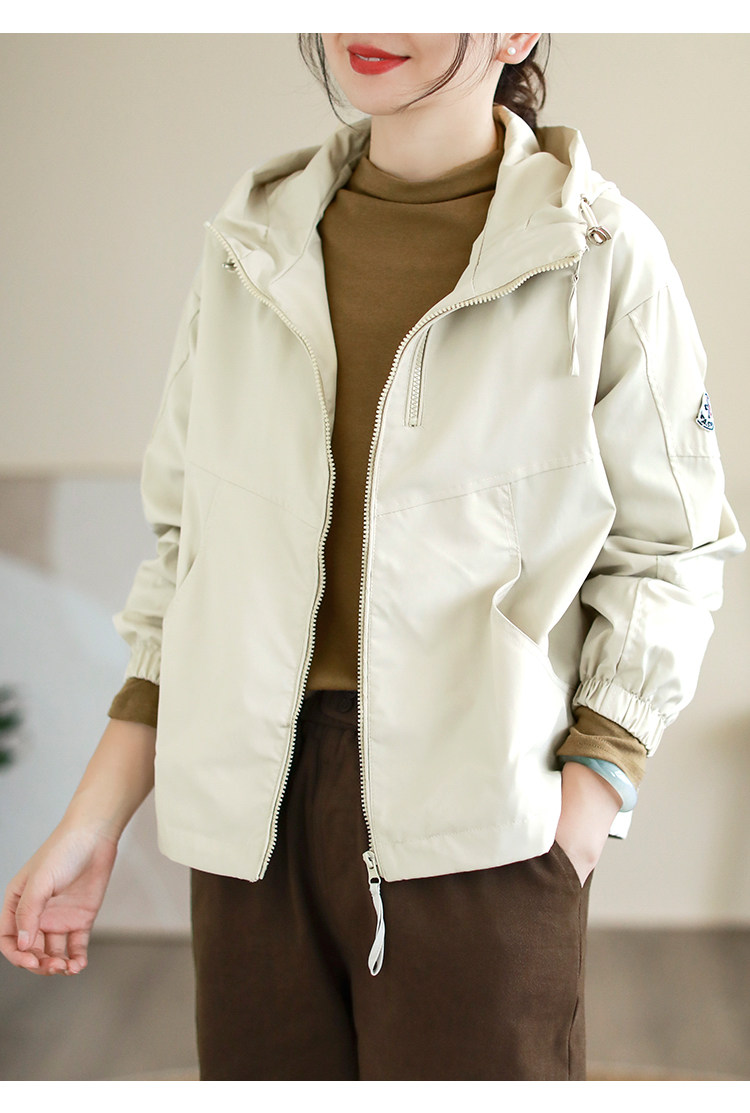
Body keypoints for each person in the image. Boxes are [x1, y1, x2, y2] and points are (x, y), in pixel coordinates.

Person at [0, 33, 743, 1081]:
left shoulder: (602, 252)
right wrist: (95, 819)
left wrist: (587, 799)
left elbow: (672, 549)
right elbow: (188, 556)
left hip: (489, 830)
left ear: (515, 27)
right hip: (251, 825)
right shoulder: (249, 245)